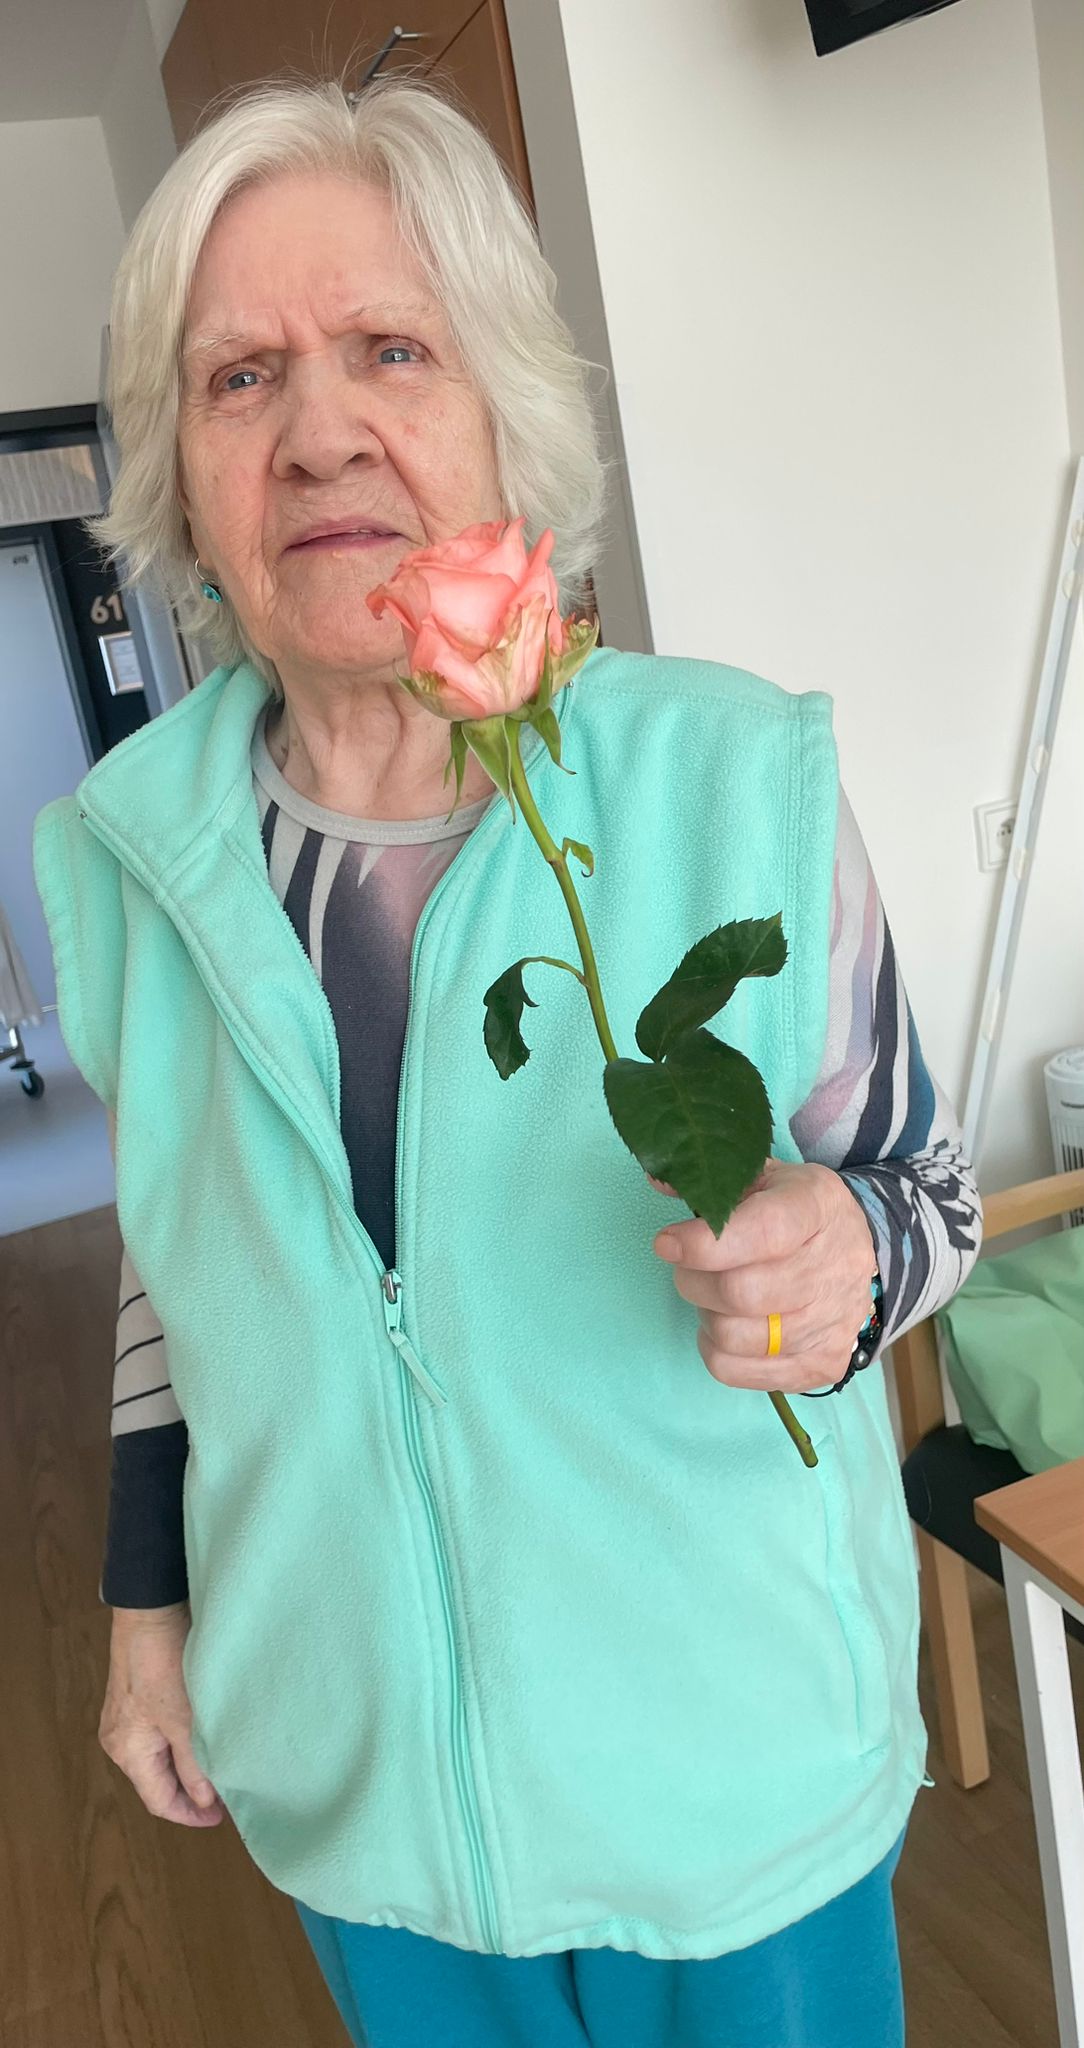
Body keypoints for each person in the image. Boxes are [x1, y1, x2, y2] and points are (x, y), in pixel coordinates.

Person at [34, 76, 982, 2048]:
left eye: (391, 348)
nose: (319, 430)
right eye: (239, 378)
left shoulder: (733, 781)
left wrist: (843, 1262)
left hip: (730, 1791)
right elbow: (174, 1273)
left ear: (505, 417)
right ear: (182, 475)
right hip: (360, 1793)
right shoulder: (129, 862)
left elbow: (933, 1196)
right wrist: (146, 1616)